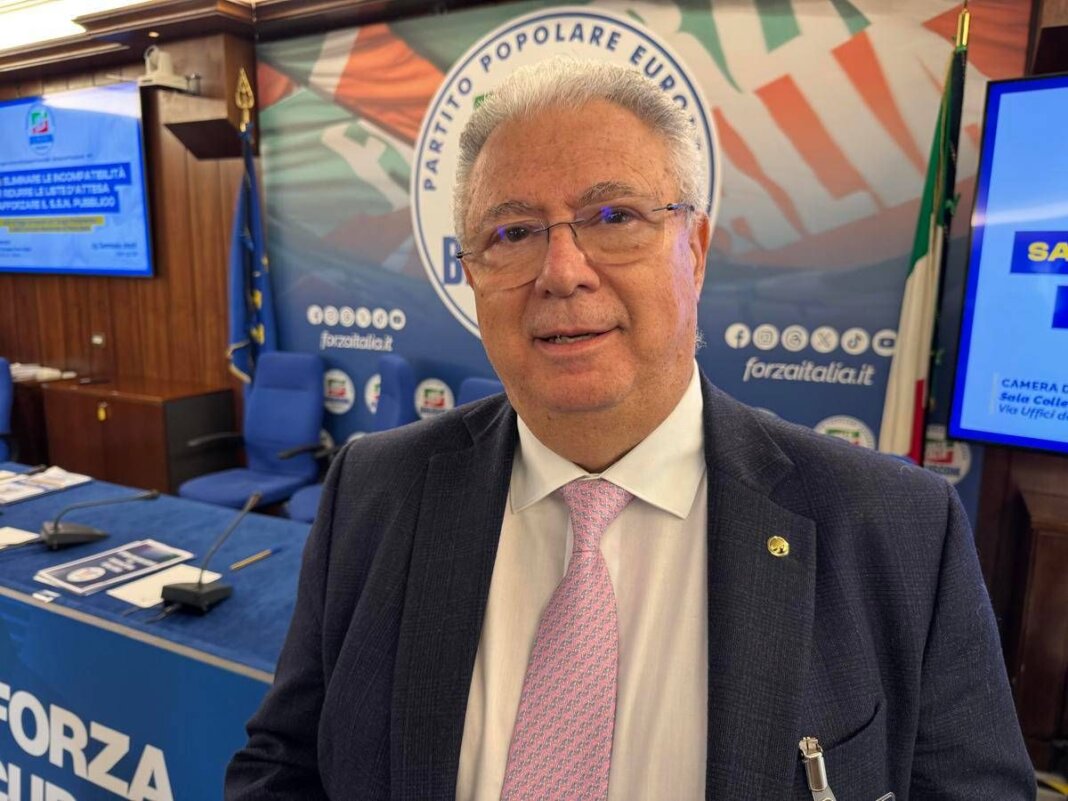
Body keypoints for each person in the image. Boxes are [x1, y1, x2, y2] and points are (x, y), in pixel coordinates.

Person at [225, 58, 1034, 800]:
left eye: (613, 215)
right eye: (513, 232)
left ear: (696, 251)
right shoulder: (374, 489)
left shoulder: (897, 530)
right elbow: (284, 767)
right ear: (471, 274)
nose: (562, 271)